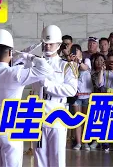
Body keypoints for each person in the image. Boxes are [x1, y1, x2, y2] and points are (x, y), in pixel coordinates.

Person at [0, 29, 54, 167]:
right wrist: (28, 57)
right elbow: (47, 70)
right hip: (11, 130)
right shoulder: (16, 73)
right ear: (10, 52)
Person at [32, 25, 78, 167]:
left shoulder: (65, 66)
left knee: (57, 158)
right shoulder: (35, 63)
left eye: (51, 43)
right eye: (45, 43)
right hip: (37, 115)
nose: (47, 46)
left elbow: (71, 90)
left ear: (58, 45)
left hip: (56, 114)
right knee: (39, 158)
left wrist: (48, 85)